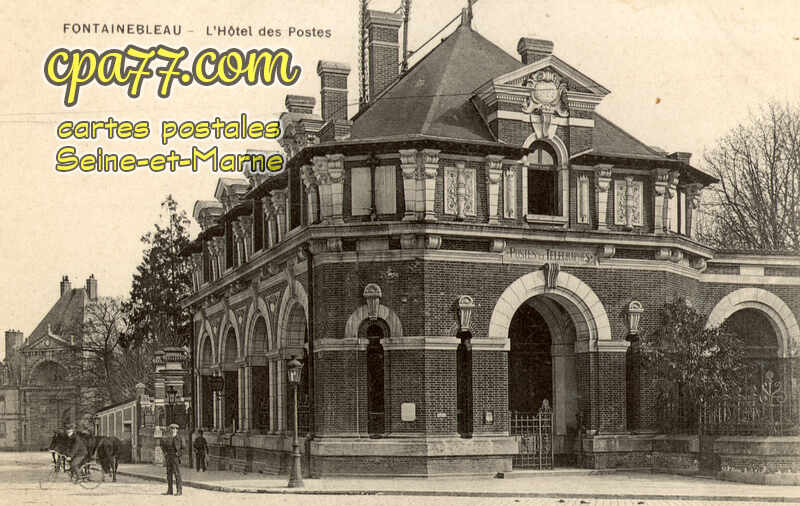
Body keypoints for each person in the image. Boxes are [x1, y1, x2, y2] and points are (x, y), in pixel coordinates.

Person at [160, 423, 183, 496]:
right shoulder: (167, 438)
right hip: (169, 457)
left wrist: (178, 454)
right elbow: (163, 445)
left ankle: (179, 491)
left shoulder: (179, 438)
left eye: (175, 429)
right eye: (172, 429)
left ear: (177, 430)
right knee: (169, 474)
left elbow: (183, 448)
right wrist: (165, 454)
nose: (173, 430)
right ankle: (170, 490)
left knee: (177, 474)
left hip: (175, 458)